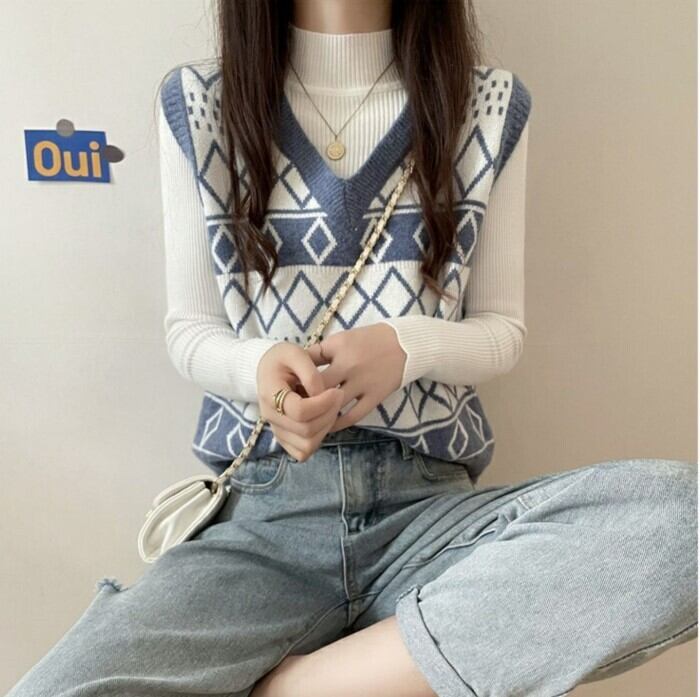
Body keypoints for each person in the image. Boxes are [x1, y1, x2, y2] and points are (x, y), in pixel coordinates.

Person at [7, 1, 697, 696]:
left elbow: (500, 329)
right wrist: (260, 370)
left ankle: (299, 687)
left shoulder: (486, 105)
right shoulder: (200, 103)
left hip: (428, 515)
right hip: (262, 525)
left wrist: (406, 345)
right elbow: (191, 329)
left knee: (683, 524)